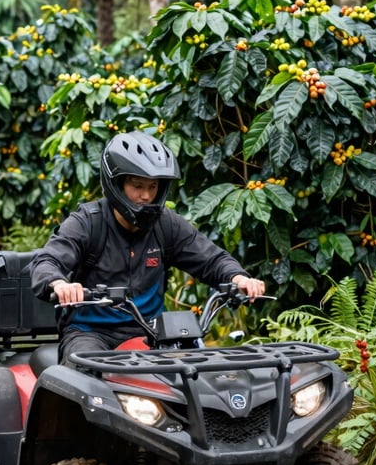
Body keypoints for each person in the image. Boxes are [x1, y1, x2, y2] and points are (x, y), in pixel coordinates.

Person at [30, 130, 265, 363]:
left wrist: (239, 279)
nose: (146, 196)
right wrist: (59, 284)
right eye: (137, 186)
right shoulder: (88, 222)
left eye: (152, 187)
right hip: (91, 332)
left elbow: (210, 259)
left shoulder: (166, 224)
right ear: (116, 185)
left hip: (152, 332)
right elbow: (47, 261)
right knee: (83, 374)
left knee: (197, 371)